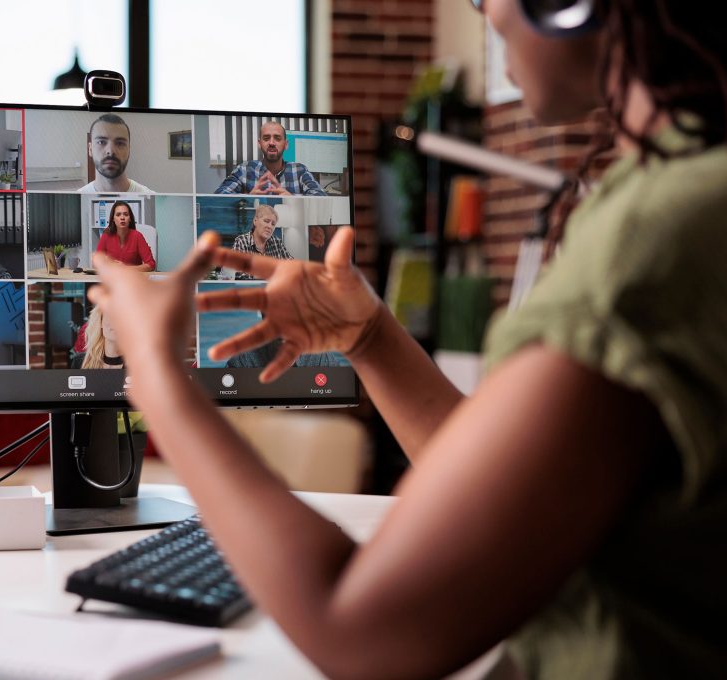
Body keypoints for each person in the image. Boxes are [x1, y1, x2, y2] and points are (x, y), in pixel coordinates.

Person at [87, 0, 727, 676]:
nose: (484, 11)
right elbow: (512, 496)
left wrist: (156, 374)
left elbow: (361, 633)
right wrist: (369, 339)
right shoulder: (684, 190)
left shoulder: (656, 238)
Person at [214, 121, 325, 196]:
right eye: (266, 138)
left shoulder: (299, 170)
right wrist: (249, 198)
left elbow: (320, 197)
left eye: (277, 138)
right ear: (259, 143)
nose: (271, 143)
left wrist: (292, 199)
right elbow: (219, 196)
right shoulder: (244, 169)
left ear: (286, 144)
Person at [80, 114, 154, 193]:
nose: (111, 151)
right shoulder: (78, 199)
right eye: (101, 142)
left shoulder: (151, 199)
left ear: (129, 149)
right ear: (90, 149)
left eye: (120, 143)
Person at [231, 204, 290, 280]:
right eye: (266, 221)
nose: (269, 226)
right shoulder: (242, 241)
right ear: (255, 221)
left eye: (273, 224)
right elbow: (238, 274)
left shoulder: (277, 243)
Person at [95, 201, 156, 272]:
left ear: (130, 218)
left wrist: (126, 268)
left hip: (133, 279)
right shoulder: (106, 235)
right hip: (112, 278)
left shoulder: (137, 236)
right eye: (118, 215)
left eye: (126, 214)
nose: (122, 217)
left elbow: (151, 265)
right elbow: (97, 261)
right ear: (113, 219)